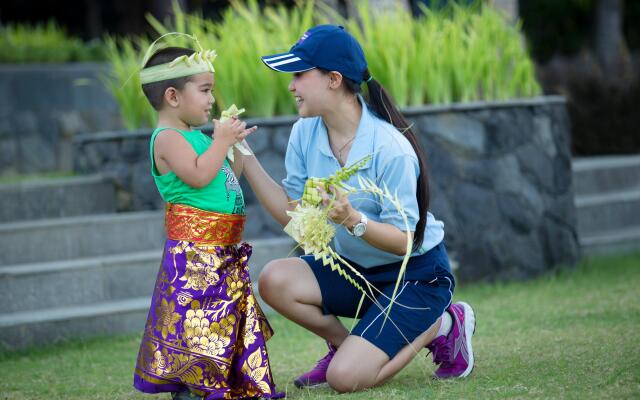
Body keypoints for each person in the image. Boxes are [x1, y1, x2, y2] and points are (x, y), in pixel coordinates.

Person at [241, 25, 476, 393]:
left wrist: (353, 220)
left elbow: (404, 242)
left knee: (345, 379)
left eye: (300, 74)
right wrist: (246, 159)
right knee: (274, 279)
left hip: (413, 276)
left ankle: (443, 324)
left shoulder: (390, 148)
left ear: (334, 80)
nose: (291, 86)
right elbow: (297, 220)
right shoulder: (304, 132)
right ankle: (341, 346)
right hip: (354, 272)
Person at [131, 41, 283, 400]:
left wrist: (236, 150)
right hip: (194, 253)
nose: (211, 99)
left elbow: (223, 176)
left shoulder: (198, 137)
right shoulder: (167, 139)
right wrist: (220, 141)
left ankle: (230, 380)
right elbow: (199, 176)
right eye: (204, 90)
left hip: (221, 247)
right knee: (201, 322)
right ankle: (193, 383)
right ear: (172, 96)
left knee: (227, 319)